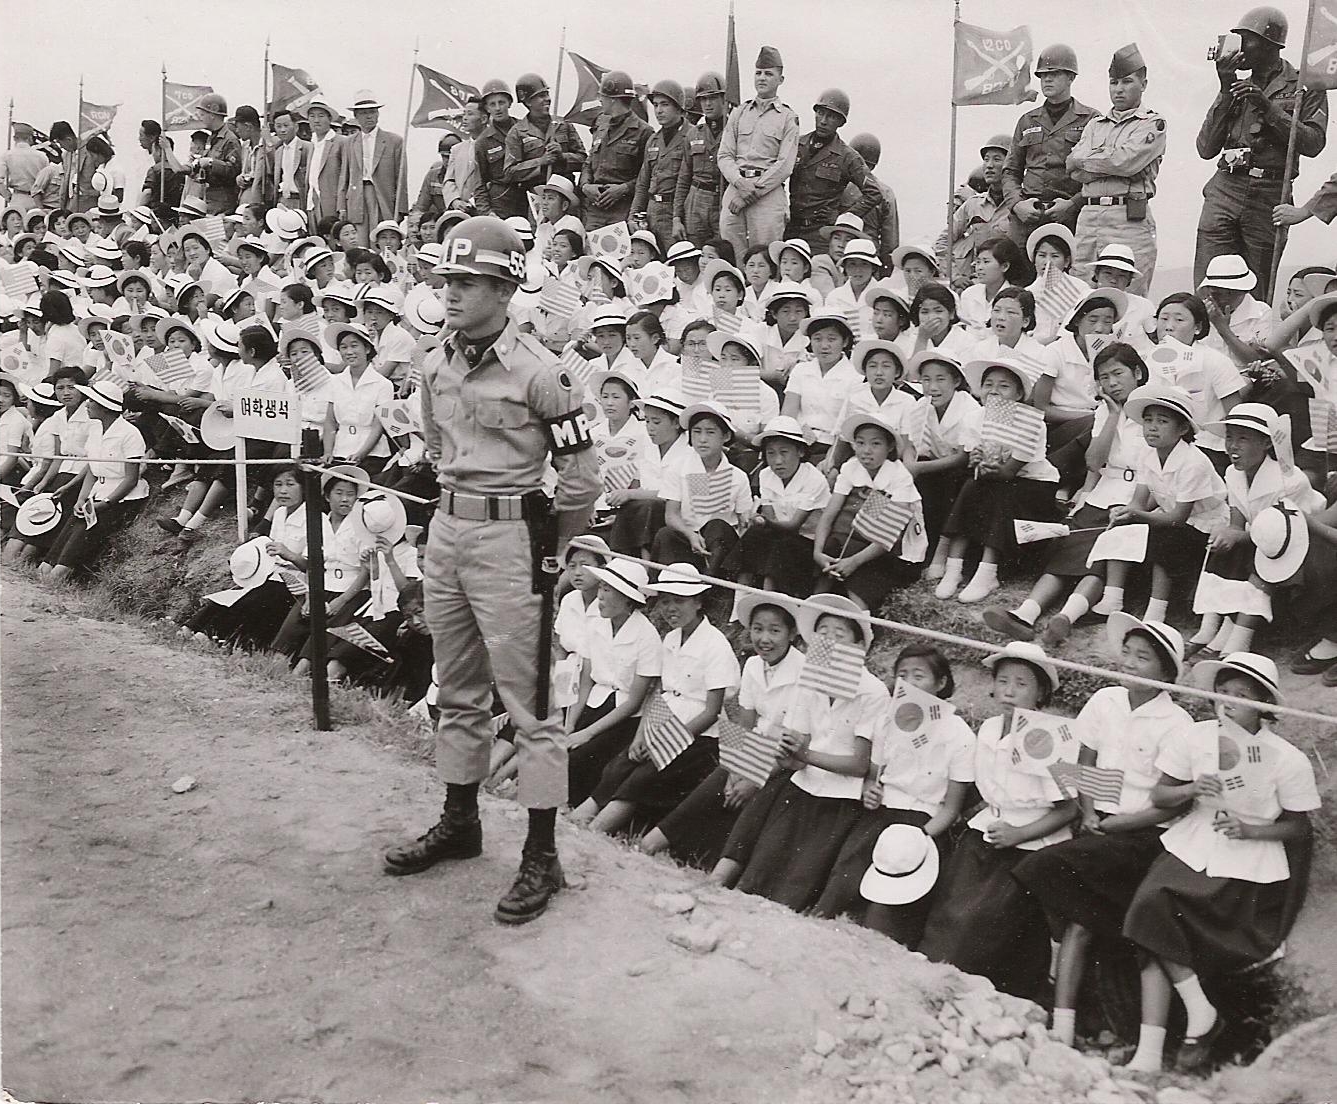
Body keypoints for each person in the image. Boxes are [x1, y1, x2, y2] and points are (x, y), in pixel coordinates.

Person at [382, 217, 600, 928]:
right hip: (447, 527)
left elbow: (580, 472)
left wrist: (563, 549)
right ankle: (459, 820)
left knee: (531, 700)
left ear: (505, 287)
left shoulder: (543, 370)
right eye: (448, 280)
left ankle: (542, 852)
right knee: (457, 685)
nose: (452, 293)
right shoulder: (433, 360)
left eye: (469, 282)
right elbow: (435, 440)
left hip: (512, 537)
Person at [1122, 653, 1319, 1073]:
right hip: (1193, 841)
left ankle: (1156, 1048)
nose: (1228, 702)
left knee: (1152, 923)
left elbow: (1298, 829)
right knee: (1148, 909)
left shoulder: (1285, 758)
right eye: (1223, 693)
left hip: (1246, 858)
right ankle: (1184, 1025)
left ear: (1263, 705)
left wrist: (1251, 831)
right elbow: (1160, 797)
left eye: (1241, 696)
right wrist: (1191, 788)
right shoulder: (1194, 738)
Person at [1013, 616, 1193, 1048]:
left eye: (1143, 658)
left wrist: (1115, 825)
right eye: (1127, 653)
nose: (1129, 663)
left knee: (1047, 874)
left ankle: (1120, 1024)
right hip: (1096, 823)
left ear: (1167, 672)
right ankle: (1065, 1025)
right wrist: (1090, 813)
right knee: (1079, 923)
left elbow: (1169, 802)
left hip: (1140, 837)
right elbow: (1087, 762)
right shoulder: (1104, 700)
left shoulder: (1178, 723)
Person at [920, 642, 1076, 1000]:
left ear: (1041, 692)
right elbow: (980, 785)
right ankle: (936, 974)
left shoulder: (1051, 735)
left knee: (986, 921)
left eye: (1021, 684)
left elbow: (1067, 810)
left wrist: (1019, 832)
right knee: (951, 905)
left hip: (1032, 842)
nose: (1009, 691)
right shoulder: (989, 728)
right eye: (1003, 681)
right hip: (989, 831)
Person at [718, 593, 886, 911]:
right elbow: (794, 740)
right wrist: (783, 755)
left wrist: (803, 756)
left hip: (841, 798)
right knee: (761, 868)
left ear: (857, 645)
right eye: (823, 633)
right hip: (801, 784)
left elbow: (858, 764)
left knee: (796, 884)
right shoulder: (812, 676)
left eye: (839, 635)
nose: (829, 641)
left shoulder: (874, 691)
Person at [986, 343, 1153, 645]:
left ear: (1138, 373)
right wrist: (1114, 417)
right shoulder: (1105, 411)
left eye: (1118, 374)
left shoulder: (1155, 410)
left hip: (1139, 494)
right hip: (1105, 488)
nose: (1111, 383)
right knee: (1068, 547)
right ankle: (1025, 613)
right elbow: (1093, 461)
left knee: (1102, 553)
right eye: (1104, 377)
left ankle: (1066, 617)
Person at [812, 643, 972, 945]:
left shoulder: (957, 731)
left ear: (940, 683)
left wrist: (919, 836)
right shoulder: (889, 719)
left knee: (886, 913)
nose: (909, 684)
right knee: (842, 886)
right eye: (903, 675)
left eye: (919, 676)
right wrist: (869, 790)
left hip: (923, 825)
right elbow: (874, 774)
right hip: (880, 815)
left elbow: (951, 808)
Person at [572, 562, 739, 835]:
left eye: (680, 601)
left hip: (700, 736)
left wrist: (668, 740)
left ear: (698, 602)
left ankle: (596, 831)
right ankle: (579, 821)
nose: (671, 609)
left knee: (644, 777)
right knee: (621, 764)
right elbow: (659, 695)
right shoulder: (671, 639)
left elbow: (711, 711)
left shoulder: (714, 644)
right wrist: (641, 735)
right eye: (665, 601)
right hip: (666, 722)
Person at [644, 593, 803, 868]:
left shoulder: (804, 673)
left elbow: (792, 746)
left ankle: (720, 873)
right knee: (714, 787)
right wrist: (734, 769)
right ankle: (647, 846)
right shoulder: (753, 665)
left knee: (749, 802)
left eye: (775, 631)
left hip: (785, 763)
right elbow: (745, 723)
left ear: (792, 633)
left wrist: (752, 779)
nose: (764, 639)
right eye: (757, 629)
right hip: (752, 751)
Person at [1196, 7, 1327, 302]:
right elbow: (1205, 148)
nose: (1240, 47)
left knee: (1256, 290)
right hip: (1224, 188)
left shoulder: (1304, 85)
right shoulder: (1236, 85)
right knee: (1208, 285)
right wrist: (1225, 87)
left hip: (1269, 193)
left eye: (1247, 40)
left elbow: (1314, 143)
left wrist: (1269, 109)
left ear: (1271, 44)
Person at [1091, 383, 1229, 624]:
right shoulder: (1147, 454)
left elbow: (1178, 517)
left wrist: (1137, 515)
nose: (1152, 427)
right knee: (1122, 524)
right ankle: (1113, 598)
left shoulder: (1193, 462)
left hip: (1205, 525)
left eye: (1163, 421)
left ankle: (1155, 613)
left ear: (1182, 428)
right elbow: (1139, 502)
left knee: (1166, 538)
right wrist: (1125, 512)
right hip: (1170, 517)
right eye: (1148, 420)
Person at [1067, 44, 1166, 295]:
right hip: (1089, 216)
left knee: (1129, 294)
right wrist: (1106, 162)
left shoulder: (1152, 124)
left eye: (1127, 81)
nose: (1119, 89)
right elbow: (1071, 165)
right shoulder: (1095, 125)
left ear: (1143, 84)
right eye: (1114, 82)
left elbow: (1125, 162)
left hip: (1128, 218)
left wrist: (1088, 161)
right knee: (1081, 291)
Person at [563, 558, 660, 808]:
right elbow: (585, 681)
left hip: (623, 716)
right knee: (559, 747)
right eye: (601, 588)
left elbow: (635, 701)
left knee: (580, 756)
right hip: (592, 703)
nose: (600, 597)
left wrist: (587, 733)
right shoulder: (596, 624)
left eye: (607, 590)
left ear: (628, 599)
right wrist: (571, 724)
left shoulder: (646, 636)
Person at [812, 411, 926, 610]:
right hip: (850, 541)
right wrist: (817, 551)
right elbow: (829, 514)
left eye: (875, 444)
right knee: (831, 550)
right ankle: (814, 606)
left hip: (886, 549)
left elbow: (888, 537)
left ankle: (861, 618)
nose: (866, 450)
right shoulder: (851, 467)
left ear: (890, 446)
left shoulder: (899, 476)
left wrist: (853, 562)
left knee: (860, 567)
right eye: (860, 443)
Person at [39, 380, 148, 583]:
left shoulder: (130, 434)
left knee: (58, 571)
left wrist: (103, 504)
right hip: (95, 494)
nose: (87, 404)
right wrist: (82, 499)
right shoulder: (96, 428)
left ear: (104, 406)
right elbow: (92, 468)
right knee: (45, 566)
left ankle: (63, 575)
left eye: (91, 400)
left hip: (120, 500)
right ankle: (52, 568)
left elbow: (131, 479)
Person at [1003, 45, 1096, 248]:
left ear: (1071, 77)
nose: (1047, 79)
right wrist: (1017, 204)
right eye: (1043, 75)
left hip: (1070, 217)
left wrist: (1073, 204)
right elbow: (1010, 171)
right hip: (1027, 218)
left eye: (1054, 73)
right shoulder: (1027, 121)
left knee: (1068, 277)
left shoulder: (1092, 120)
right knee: (1020, 275)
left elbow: (1098, 174)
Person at [716, 46, 800, 262]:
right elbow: (724, 155)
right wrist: (739, 183)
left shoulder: (788, 118)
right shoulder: (739, 113)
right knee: (731, 254)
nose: (762, 78)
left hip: (767, 196)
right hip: (736, 189)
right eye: (758, 73)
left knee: (766, 257)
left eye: (769, 74)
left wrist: (751, 192)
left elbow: (784, 165)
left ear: (780, 79)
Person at [735, 415, 829, 596]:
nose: (777, 460)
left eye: (784, 452)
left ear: (800, 451)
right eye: (771, 453)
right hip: (782, 535)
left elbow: (794, 525)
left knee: (783, 544)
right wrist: (760, 521)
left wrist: (765, 521)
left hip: (810, 543)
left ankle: (767, 597)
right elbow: (770, 518)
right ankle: (740, 596)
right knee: (755, 534)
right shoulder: (765, 475)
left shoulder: (814, 478)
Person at [785, 89, 880, 250]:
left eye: (831, 117)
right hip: (792, 229)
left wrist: (842, 217)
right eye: (821, 113)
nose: (823, 121)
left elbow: (874, 192)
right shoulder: (796, 145)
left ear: (841, 122)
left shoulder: (847, 156)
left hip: (820, 236)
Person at [504, 73, 587, 212]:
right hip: (537, 199)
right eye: (541, 96)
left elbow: (584, 160)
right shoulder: (517, 133)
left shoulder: (563, 125)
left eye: (547, 94)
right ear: (528, 101)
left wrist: (562, 157)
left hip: (565, 197)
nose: (547, 99)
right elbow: (509, 172)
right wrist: (541, 162)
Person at [939, 135, 1013, 289]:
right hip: (974, 286)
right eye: (986, 159)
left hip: (1009, 286)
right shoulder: (973, 205)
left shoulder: (1021, 205)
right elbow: (942, 242)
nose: (989, 165)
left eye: (997, 159)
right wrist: (955, 276)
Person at [582, 71, 653, 232]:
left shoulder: (644, 132)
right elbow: (588, 163)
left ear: (613, 100)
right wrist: (586, 186)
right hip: (595, 210)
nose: (600, 100)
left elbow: (648, 177)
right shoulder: (600, 125)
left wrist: (623, 189)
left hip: (622, 211)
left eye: (603, 96)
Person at [632, 81, 696, 247]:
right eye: (655, 105)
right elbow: (643, 182)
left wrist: (678, 218)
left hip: (676, 213)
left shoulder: (692, 135)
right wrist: (634, 214)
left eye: (665, 105)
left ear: (678, 107)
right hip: (652, 211)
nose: (659, 110)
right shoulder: (653, 140)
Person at [341, 91, 409, 246]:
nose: (369, 116)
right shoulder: (349, 143)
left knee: (383, 237)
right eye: (364, 113)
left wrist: (401, 209)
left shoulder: (394, 141)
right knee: (360, 240)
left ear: (378, 114)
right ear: (356, 116)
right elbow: (344, 177)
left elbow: (401, 177)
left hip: (382, 196)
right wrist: (342, 207)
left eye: (372, 112)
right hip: (357, 197)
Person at [676, 73, 729, 246]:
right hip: (696, 201)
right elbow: (684, 178)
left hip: (722, 199)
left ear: (724, 99)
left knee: (722, 252)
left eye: (712, 98)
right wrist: (677, 217)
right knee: (695, 251)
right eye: (703, 99)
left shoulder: (734, 132)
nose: (707, 104)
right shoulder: (693, 134)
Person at [847, 133, 900, 268]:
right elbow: (890, 242)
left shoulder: (838, 187)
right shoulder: (886, 192)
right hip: (869, 257)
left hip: (842, 253)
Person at [191, 93, 243, 214]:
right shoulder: (212, 138)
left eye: (203, 114)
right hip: (210, 197)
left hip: (223, 201)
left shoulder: (230, 139)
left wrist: (210, 162)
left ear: (213, 115)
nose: (200, 118)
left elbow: (234, 169)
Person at [305, 98, 347, 228]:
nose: (316, 120)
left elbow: (345, 176)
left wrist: (342, 206)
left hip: (331, 202)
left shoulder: (340, 142)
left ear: (329, 119)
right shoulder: (310, 144)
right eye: (312, 116)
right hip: (311, 201)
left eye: (321, 116)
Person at [1, 123, 53, 215]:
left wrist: (7, 196)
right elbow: (48, 180)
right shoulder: (42, 156)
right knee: (36, 227)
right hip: (38, 200)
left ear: (14, 138)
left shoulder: (7, 156)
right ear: (29, 138)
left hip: (18, 198)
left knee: (17, 226)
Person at [270, 109, 311, 210]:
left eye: (286, 125)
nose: (282, 130)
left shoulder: (307, 148)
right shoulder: (279, 151)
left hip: (300, 200)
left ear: (296, 127)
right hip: (282, 200)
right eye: (278, 126)